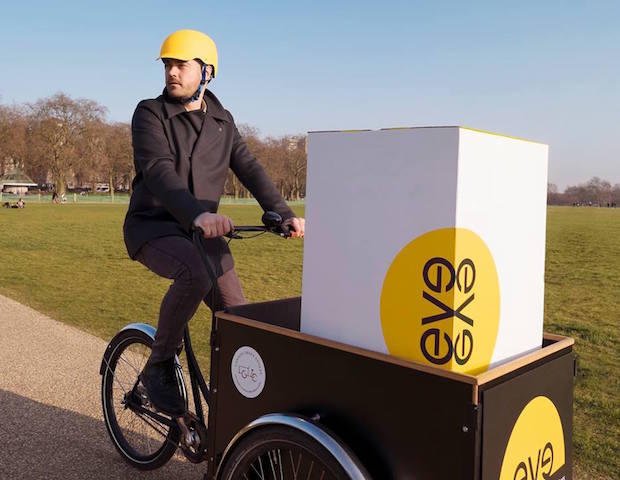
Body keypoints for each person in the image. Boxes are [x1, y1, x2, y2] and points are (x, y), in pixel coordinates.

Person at [123, 29, 305, 415]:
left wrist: (284, 213)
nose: (171, 72)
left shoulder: (223, 121)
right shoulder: (149, 113)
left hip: (202, 232)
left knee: (240, 319)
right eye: (167, 65)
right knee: (195, 273)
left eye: (181, 65)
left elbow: (249, 168)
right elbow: (158, 171)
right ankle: (159, 365)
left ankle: (237, 406)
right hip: (154, 227)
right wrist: (198, 214)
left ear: (207, 72)